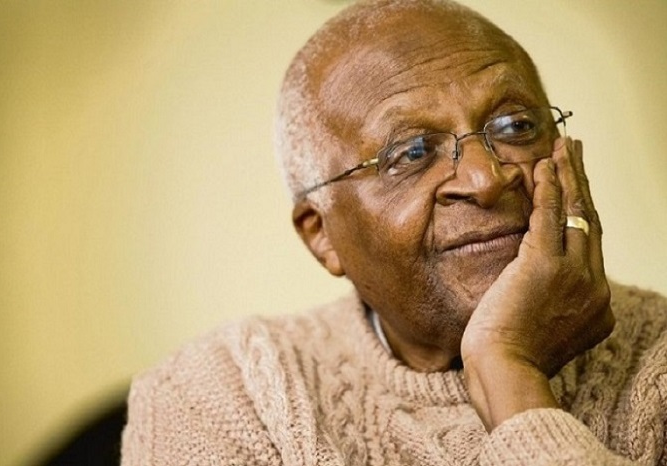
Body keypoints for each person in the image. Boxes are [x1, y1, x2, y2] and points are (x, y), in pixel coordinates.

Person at [121, 0, 667, 464]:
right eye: (411, 152)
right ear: (321, 235)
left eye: (515, 126)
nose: (486, 179)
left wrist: (510, 377)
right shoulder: (219, 395)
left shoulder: (658, 357)